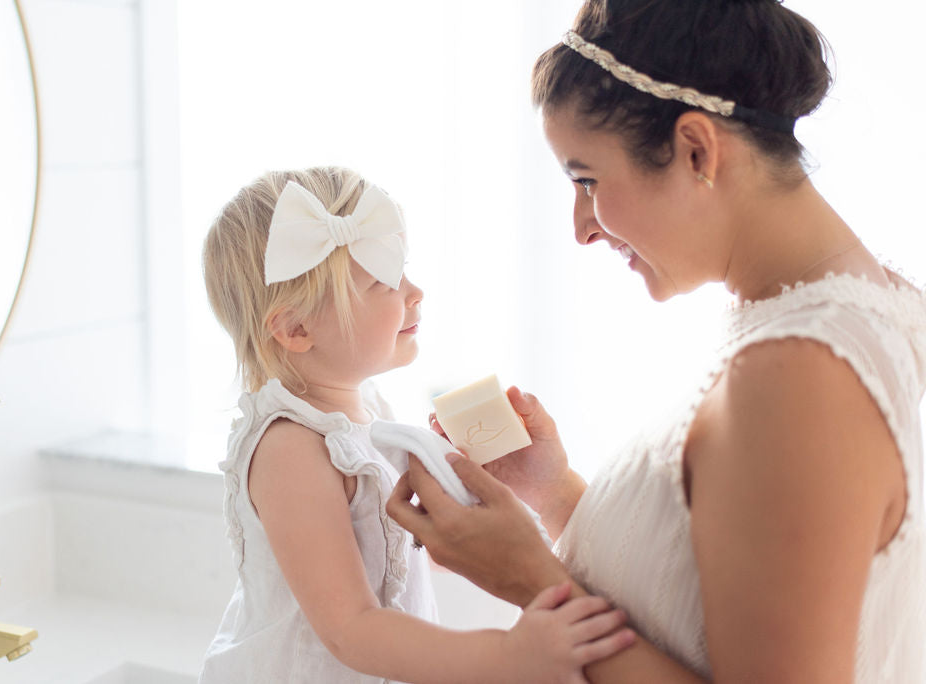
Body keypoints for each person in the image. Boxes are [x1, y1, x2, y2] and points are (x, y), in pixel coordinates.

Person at [387, 1, 926, 682]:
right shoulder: (861, 310)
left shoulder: (799, 376)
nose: (581, 227)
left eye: (586, 180)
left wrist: (530, 578)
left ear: (696, 150)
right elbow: (715, 593)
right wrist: (556, 497)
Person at [197, 166, 636, 683]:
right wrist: (506, 657)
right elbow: (349, 629)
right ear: (295, 329)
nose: (415, 292)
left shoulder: (369, 411)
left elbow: (391, 559)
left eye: (403, 270)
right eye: (384, 281)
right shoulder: (289, 448)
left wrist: (470, 522)